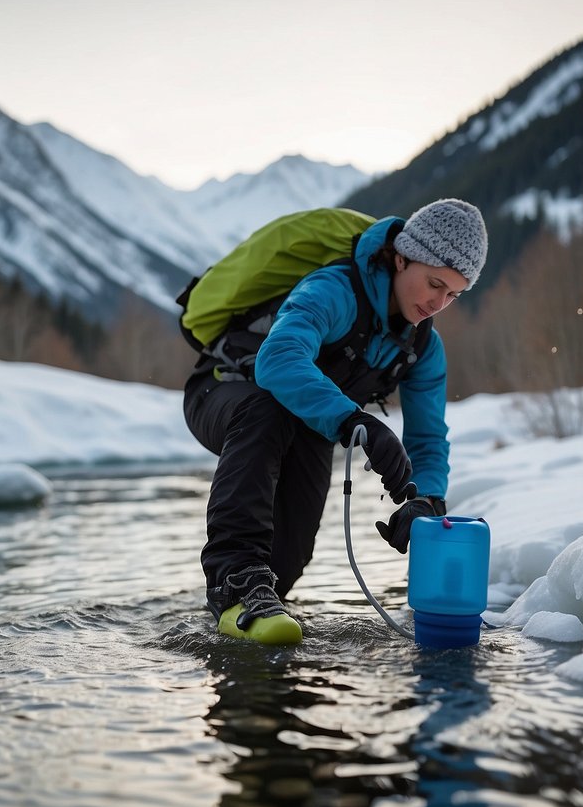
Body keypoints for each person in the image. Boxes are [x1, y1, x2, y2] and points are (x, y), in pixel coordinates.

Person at [182, 199, 488, 644]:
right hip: (224, 390)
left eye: (453, 294)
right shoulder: (333, 291)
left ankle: (258, 612)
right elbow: (277, 360)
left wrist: (426, 501)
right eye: (434, 283)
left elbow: (427, 439)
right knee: (265, 409)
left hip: (309, 426)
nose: (437, 303)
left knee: (288, 560)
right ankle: (234, 583)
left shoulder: (424, 349)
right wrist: (353, 420)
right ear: (401, 258)